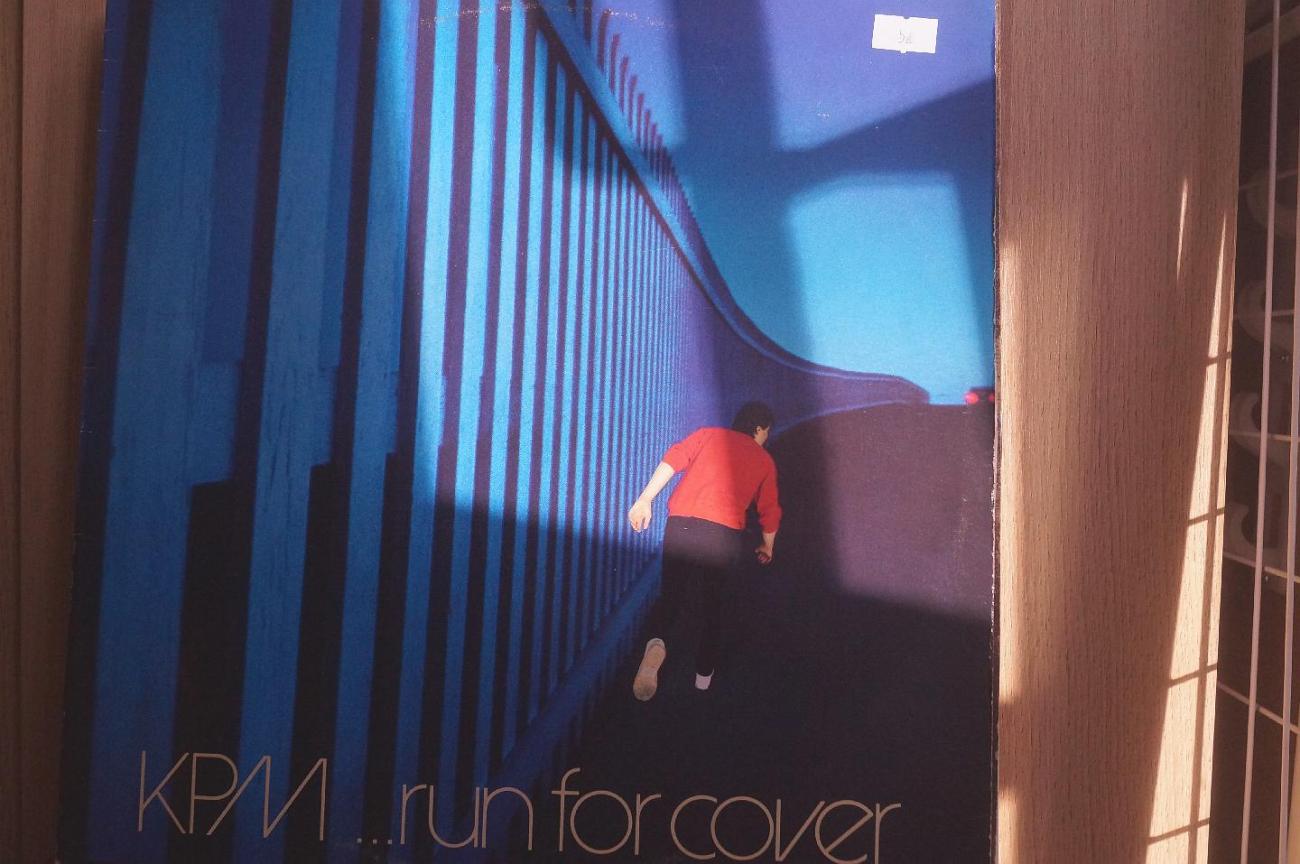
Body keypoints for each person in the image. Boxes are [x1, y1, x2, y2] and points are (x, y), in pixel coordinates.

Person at [626, 401, 781, 700]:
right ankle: (702, 679)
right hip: (722, 533)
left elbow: (674, 459)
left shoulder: (708, 434)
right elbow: (769, 510)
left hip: (682, 522)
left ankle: (656, 644)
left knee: (671, 596)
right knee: (714, 606)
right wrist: (767, 545)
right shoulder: (763, 459)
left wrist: (645, 499)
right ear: (760, 428)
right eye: (767, 433)